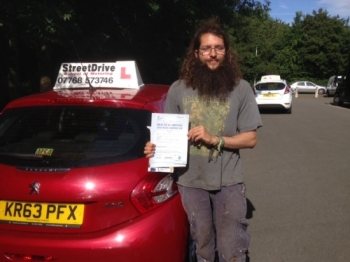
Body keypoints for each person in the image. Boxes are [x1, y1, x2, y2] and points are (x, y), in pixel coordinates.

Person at [144, 18, 262, 262]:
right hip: (190, 181)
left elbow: (251, 138)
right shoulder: (178, 89)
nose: (213, 54)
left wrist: (215, 139)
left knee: (232, 249)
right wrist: (156, 148)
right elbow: (168, 132)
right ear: (196, 53)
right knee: (203, 246)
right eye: (207, 48)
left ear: (226, 52)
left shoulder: (241, 89)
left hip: (228, 182)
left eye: (219, 48)